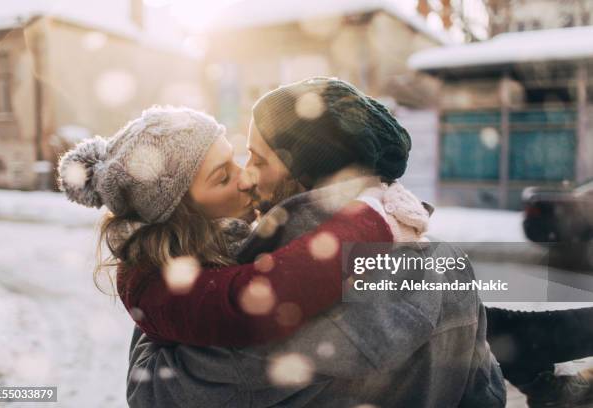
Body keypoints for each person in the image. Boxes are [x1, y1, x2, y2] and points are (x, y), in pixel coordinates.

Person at [58, 78, 505, 407]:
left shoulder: (261, 295)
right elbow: (480, 380)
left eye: (254, 159)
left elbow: (151, 391)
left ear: (304, 176)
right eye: (229, 169)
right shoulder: (441, 264)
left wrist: (367, 222)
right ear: (181, 213)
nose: (246, 175)